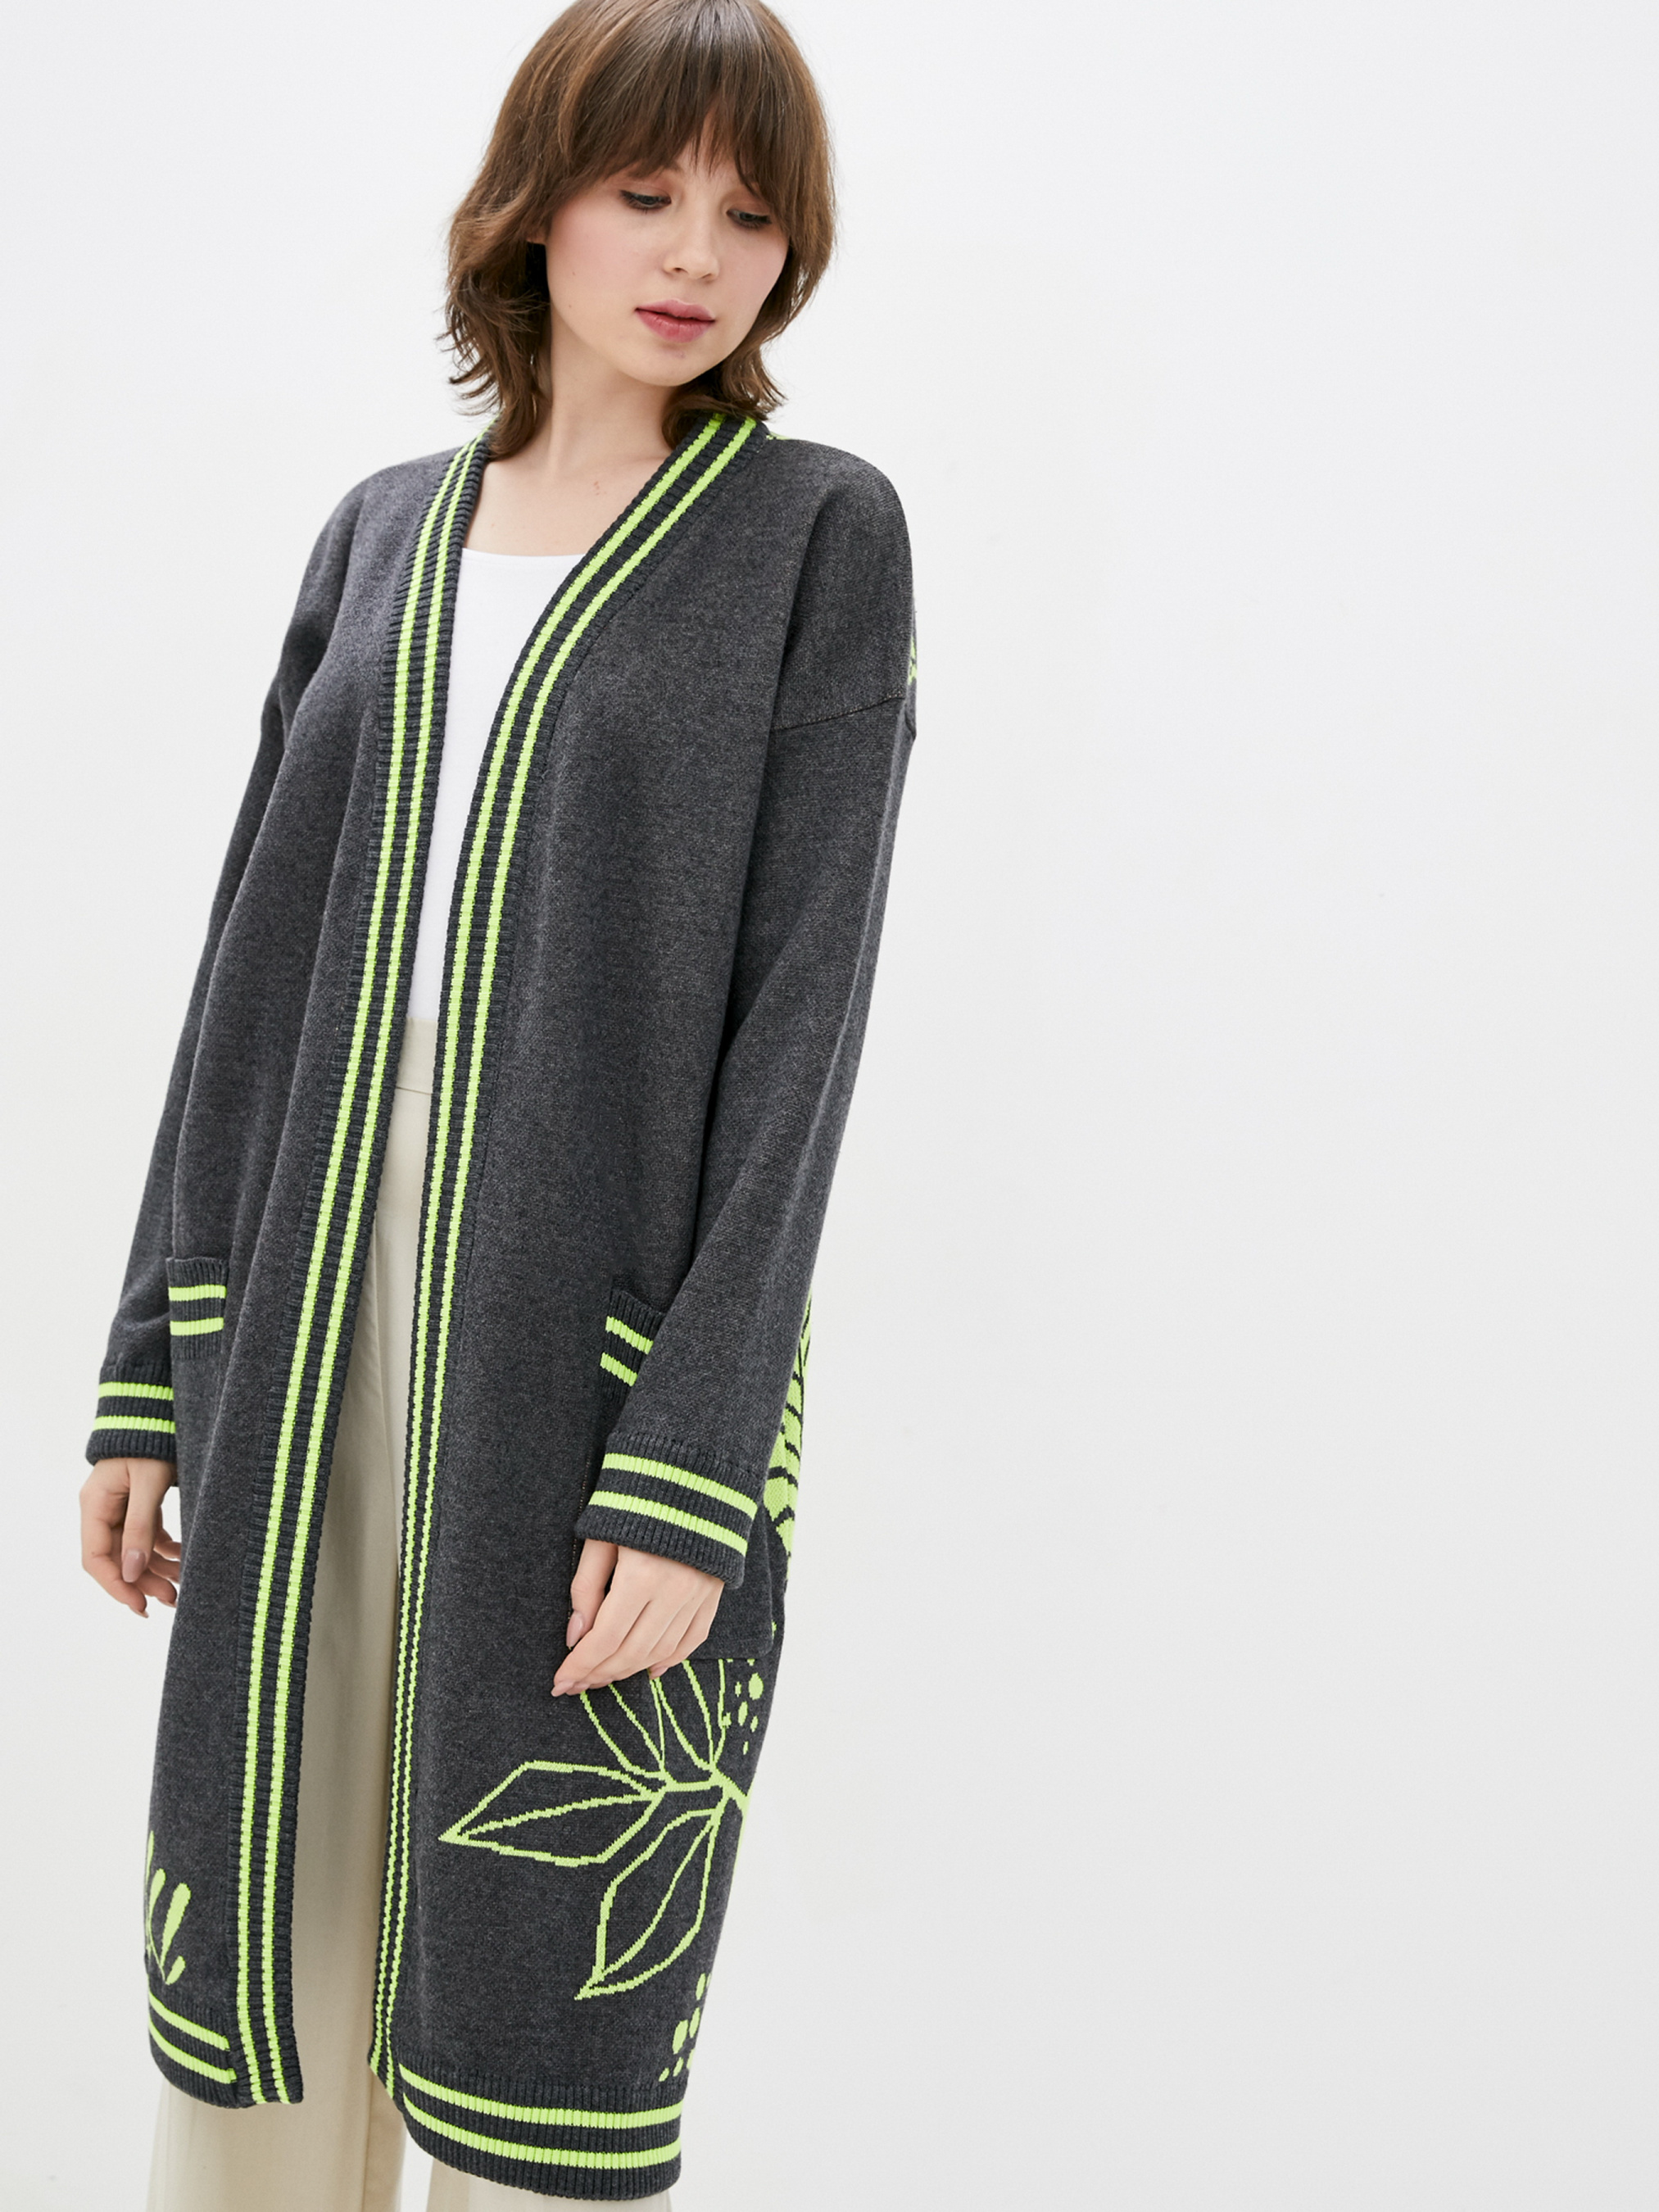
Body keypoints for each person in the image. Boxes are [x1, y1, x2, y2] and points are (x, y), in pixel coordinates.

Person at [77, 2, 915, 2204]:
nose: (698, 253)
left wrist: (698, 1455)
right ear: (536, 203)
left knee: (536, 1979)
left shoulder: (813, 537)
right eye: (646, 191)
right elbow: (243, 973)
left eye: (752, 213)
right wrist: (147, 1366)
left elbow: (804, 1025)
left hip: (586, 1344)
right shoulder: (377, 533)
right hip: (299, 1299)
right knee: (274, 1912)